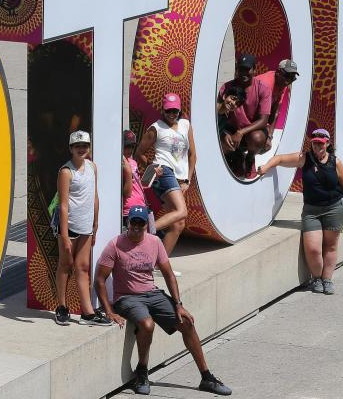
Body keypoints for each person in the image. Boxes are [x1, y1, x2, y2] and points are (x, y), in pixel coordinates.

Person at [95, 206, 232, 396]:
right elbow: (99, 279)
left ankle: (206, 377)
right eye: (132, 222)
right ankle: (142, 373)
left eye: (140, 223)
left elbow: (168, 274)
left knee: (186, 323)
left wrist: (178, 304)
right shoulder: (115, 245)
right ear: (127, 223)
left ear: (146, 225)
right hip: (127, 297)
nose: (136, 227)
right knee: (147, 324)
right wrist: (109, 310)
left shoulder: (154, 242)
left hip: (152, 294)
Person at [256, 128, 343, 295]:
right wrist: (266, 167)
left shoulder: (335, 162)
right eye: (315, 143)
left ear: (328, 144)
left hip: (335, 208)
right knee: (313, 248)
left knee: (331, 246)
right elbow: (280, 159)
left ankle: (327, 279)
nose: (318, 147)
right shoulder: (304, 158)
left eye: (321, 144)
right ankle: (316, 278)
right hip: (312, 210)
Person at [54, 130, 111, 326]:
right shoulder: (66, 172)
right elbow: (63, 205)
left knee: (83, 268)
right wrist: (64, 235)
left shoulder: (92, 167)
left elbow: (94, 196)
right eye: (77, 146)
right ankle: (61, 306)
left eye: (85, 145)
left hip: (86, 226)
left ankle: (87, 312)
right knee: (65, 265)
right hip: (69, 228)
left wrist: (95, 224)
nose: (82, 149)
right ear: (71, 148)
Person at [135, 93, 195, 256]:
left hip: (180, 178)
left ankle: (159, 264)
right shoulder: (156, 128)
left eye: (175, 111)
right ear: (162, 110)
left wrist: (188, 181)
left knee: (178, 224)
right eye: (169, 111)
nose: (172, 114)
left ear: (180, 110)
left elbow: (192, 156)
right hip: (164, 171)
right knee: (182, 211)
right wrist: (151, 167)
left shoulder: (185, 124)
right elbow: (139, 152)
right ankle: (142, 230)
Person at [219, 54, 271, 178]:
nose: (244, 73)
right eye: (241, 68)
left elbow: (264, 120)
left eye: (247, 69)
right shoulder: (226, 87)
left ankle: (250, 158)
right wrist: (223, 134)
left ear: (254, 69)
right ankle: (236, 157)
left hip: (252, 129)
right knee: (222, 140)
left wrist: (241, 132)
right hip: (230, 129)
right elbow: (217, 113)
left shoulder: (263, 89)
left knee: (257, 138)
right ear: (236, 69)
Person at [253, 59, 299, 152]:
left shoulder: (283, 83)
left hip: (259, 116)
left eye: (292, 78)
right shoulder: (266, 85)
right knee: (259, 140)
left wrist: (270, 136)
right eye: (287, 76)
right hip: (248, 115)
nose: (289, 80)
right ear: (278, 72)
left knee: (266, 145)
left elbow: (275, 111)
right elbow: (254, 112)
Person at [122, 129, 155, 235]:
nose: (130, 149)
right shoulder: (119, 164)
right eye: (126, 146)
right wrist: (127, 171)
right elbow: (127, 192)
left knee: (146, 238)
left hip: (142, 206)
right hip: (128, 210)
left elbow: (138, 185)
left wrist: (153, 176)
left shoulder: (133, 162)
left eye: (132, 146)